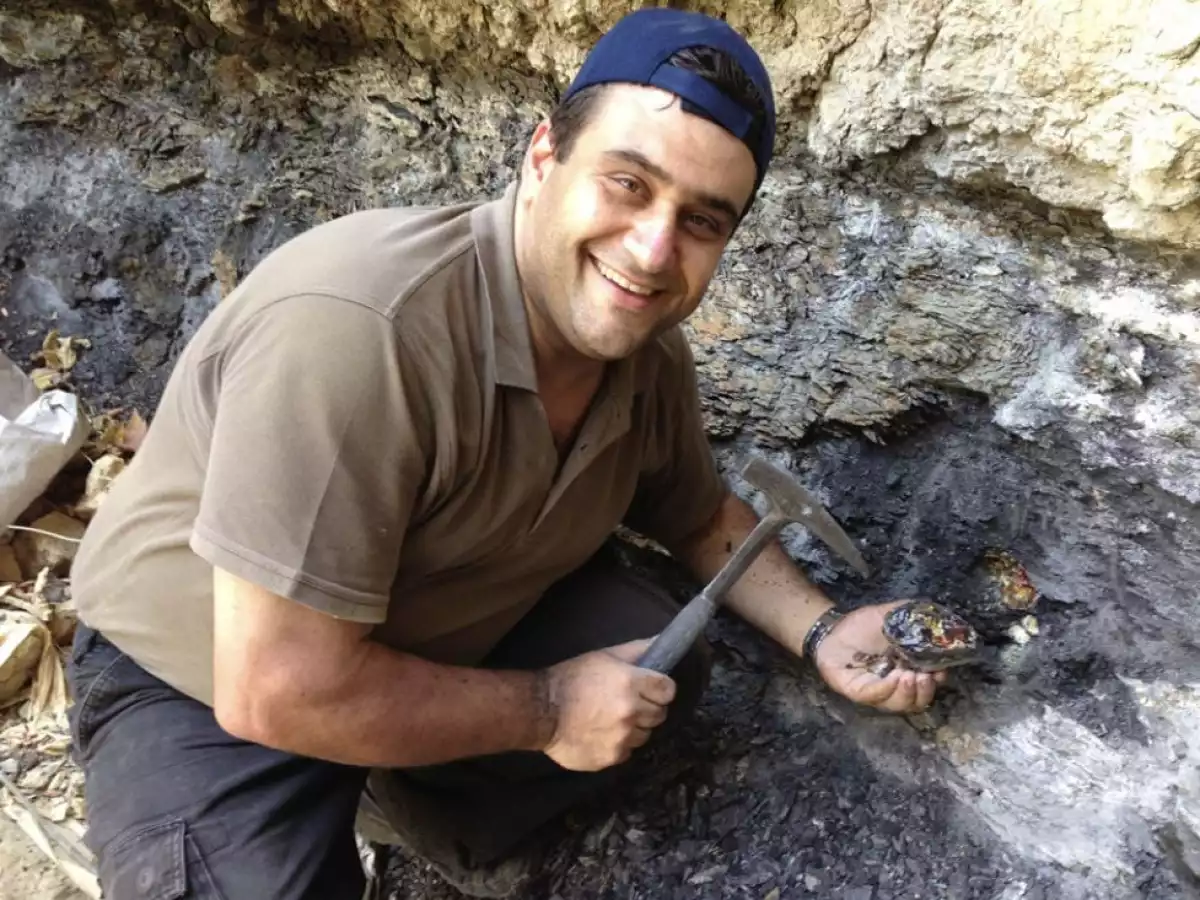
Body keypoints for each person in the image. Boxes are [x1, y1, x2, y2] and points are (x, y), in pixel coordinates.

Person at [65, 8, 945, 899]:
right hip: (205, 679)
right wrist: (550, 711)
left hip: (432, 633)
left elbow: (701, 518)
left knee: (658, 666)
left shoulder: (644, 357)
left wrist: (826, 631)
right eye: (629, 185)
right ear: (542, 158)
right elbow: (275, 688)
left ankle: (412, 809)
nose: (652, 251)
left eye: (702, 221)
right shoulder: (362, 331)